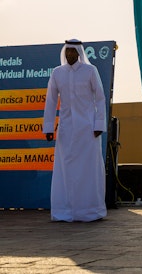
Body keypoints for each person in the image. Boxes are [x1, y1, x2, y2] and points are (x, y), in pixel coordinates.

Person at [43, 39, 108, 221]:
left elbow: (100, 98)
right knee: (66, 168)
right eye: (68, 51)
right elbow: (51, 101)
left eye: (73, 51)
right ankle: (66, 210)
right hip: (66, 128)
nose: (70, 54)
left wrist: (99, 125)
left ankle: (90, 210)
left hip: (88, 128)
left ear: (79, 53)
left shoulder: (90, 70)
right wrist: (48, 127)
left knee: (88, 168)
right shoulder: (57, 73)